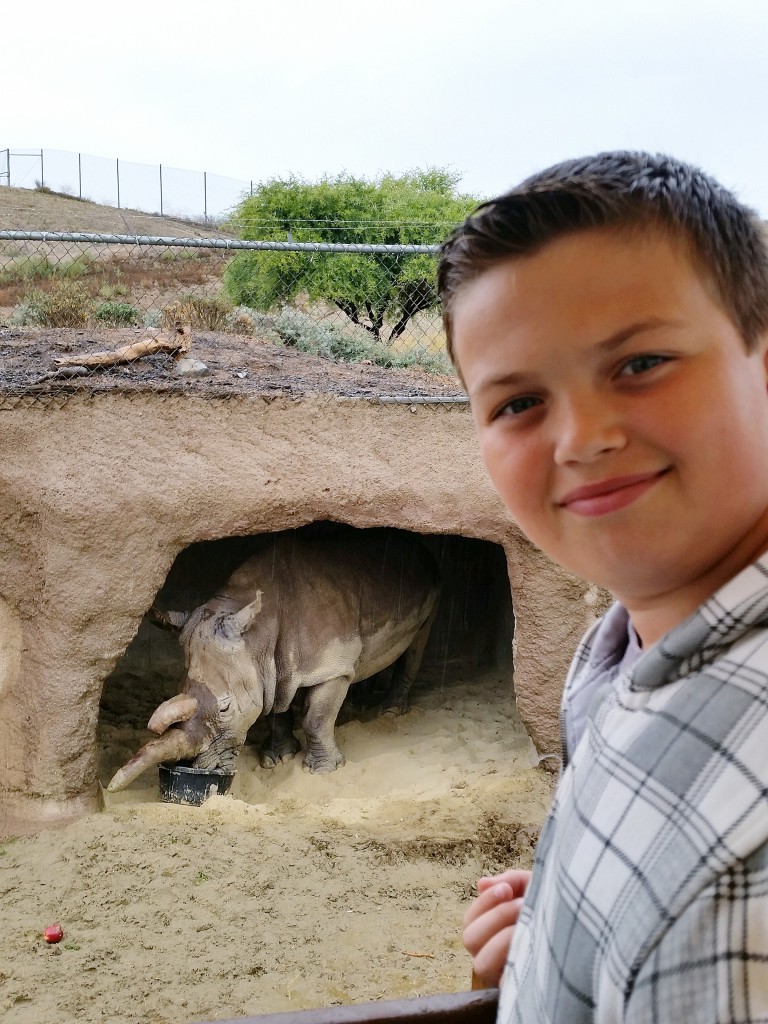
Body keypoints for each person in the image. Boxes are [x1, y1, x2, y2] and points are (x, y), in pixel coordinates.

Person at [437, 151, 768, 1022]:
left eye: (642, 362)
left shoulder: (742, 883)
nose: (582, 439)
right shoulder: (631, 645)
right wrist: (557, 941)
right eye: (515, 403)